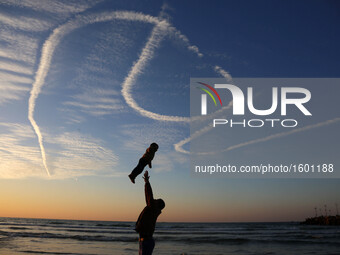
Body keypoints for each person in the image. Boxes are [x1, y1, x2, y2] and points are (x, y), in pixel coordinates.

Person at [135, 171, 165, 255]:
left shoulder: (153, 209)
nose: (154, 200)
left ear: (158, 205)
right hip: (144, 241)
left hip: (146, 241)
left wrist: (147, 182)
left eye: (156, 200)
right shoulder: (152, 209)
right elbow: (148, 197)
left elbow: (149, 195)